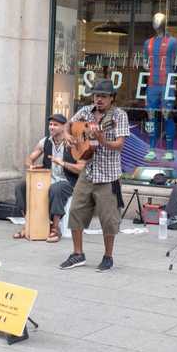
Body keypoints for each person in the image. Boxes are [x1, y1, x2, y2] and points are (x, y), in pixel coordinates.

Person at [59, 78, 130, 272]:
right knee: (75, 211)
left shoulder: (119, 116)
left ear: (112, 98)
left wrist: (102, 139)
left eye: (103, 96)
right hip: (88, 171)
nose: (99, 99)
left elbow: (119, 145)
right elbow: (68, 125)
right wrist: (67, 135)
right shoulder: (85, 112)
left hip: (109, 175)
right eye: (97, 95)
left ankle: (108, 257)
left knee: (109, 218)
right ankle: (77, 254)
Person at [12, 113, 85, 242]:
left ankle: (55, 229)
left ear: (64, 127)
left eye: (55, 125)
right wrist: (32, 167)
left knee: (56, 189)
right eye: (50, 124)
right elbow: (30, 159)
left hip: (68, 181)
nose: (51, 127)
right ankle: (29, 224)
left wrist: (63, 163)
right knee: (21, 187)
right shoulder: (45, 141)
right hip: (47, 179)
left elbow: (80, 169)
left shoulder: (73, 143)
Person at [143, 12, 177, 162]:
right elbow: (145, 64)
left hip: (166, 84)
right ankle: (151, 148)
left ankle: (170, 149)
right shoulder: (148, 43)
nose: (156, 23)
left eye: (159, 20)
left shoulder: (173, 42)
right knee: (151, 116)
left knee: (167, 115)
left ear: (164, 22)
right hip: (152, 84)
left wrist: (173, 71)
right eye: (155, 20)